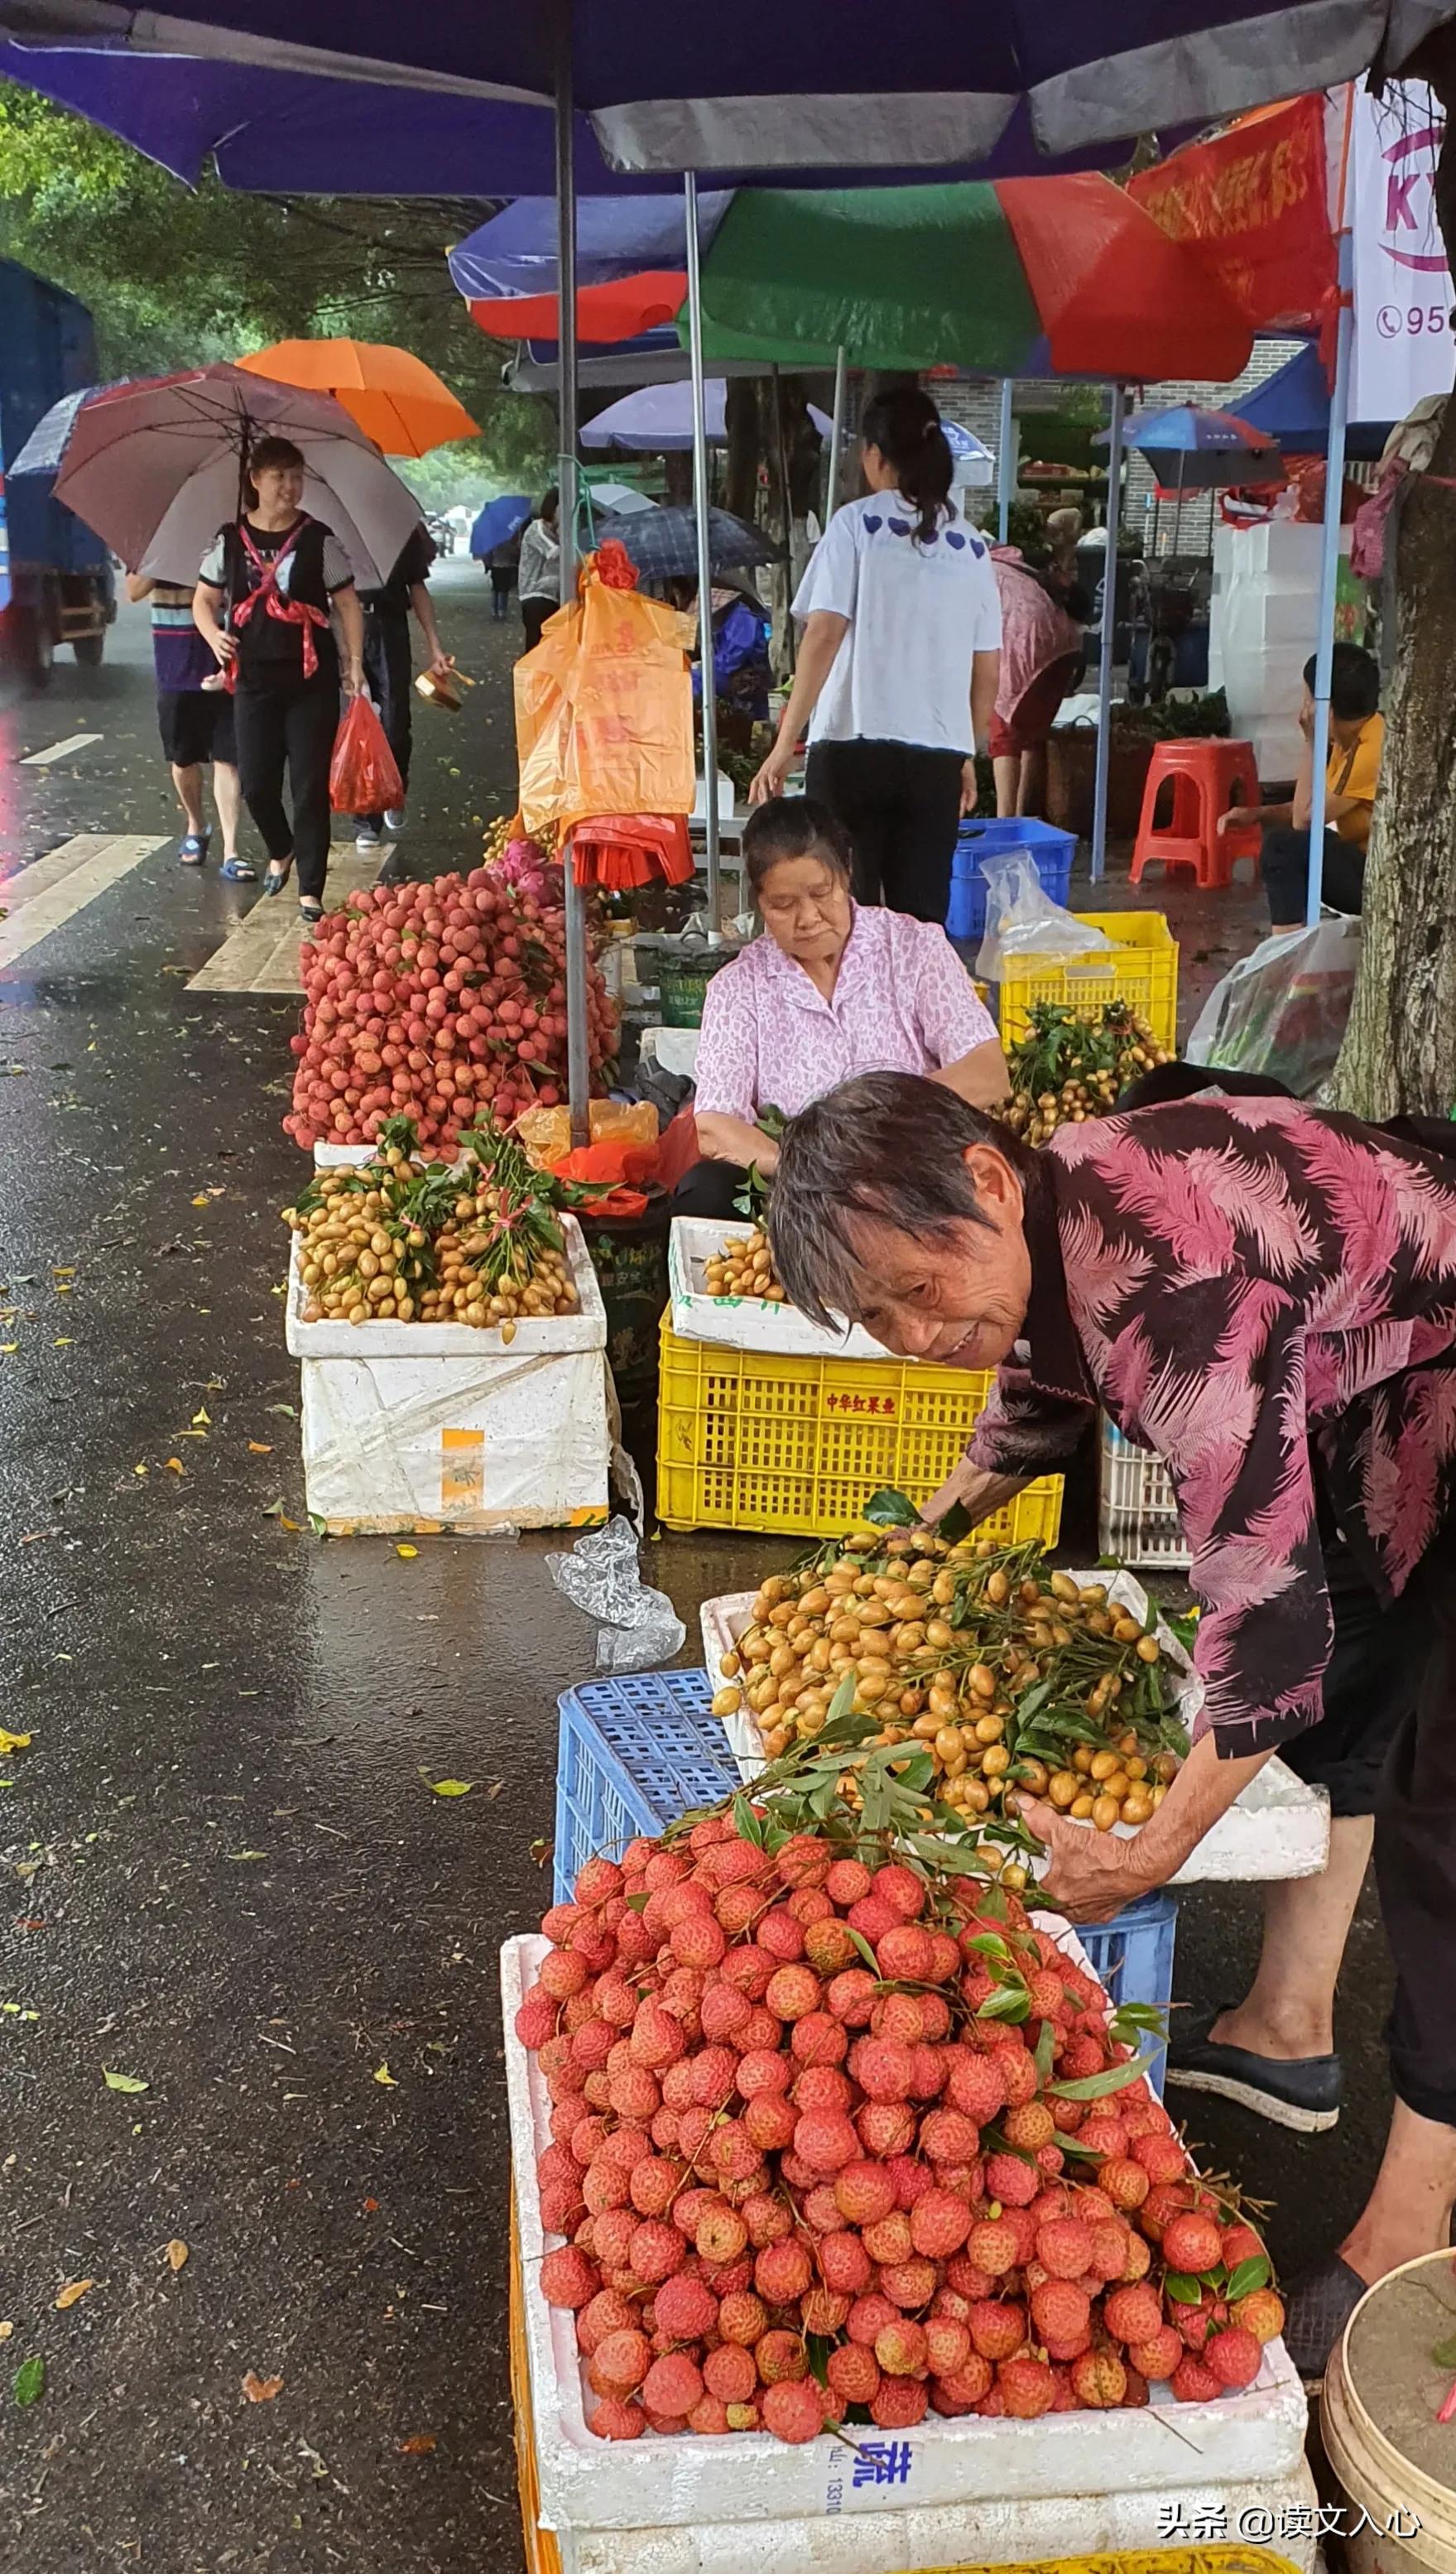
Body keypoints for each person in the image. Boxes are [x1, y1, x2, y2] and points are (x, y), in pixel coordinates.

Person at [767, 1066, 1456, 2379]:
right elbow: (1033, 1374)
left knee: (1440, 1818)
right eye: (877, 1320)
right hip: (1382, 1396)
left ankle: (1399, 2237)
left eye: (915, 1290)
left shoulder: (1166, 1286)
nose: (915, 1337)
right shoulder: (1040, 1213)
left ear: (979, 1180)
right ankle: (1287, 2032)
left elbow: (1262, 1631)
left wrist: (1144, 1854)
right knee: (1349, 1689)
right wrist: (925, 1541)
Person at [680, 797, 1007, 1219]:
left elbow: (988, 1072)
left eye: (821, 893)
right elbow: (715, 1125)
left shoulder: (914, 948)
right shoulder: (739, 987)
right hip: (801, 1192)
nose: (808, 917)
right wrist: (808, 1172)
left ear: (847, 873)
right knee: (704, 1191)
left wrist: (882, 1129)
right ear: (759, 902)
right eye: (783, 904)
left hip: (915, 1170)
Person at [748, 387, 1002, 923]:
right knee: (921, 921)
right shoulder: (971, 545)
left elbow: (822, 636)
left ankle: (852, 1010)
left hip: (851, 748)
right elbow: (986, 669)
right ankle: (914, 1010)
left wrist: (783, 743)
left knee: (840, 913)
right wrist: (967, 752)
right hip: (934, 757)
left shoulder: (854, 526)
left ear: (875, 456)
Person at [193, 437, 365, 926]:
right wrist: (213, 638)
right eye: (278, 477)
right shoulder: (229, 540)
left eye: (295, 476)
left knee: (309, 786)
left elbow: (347, 603)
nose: (290, 487)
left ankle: (311, 888)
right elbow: (203, 600)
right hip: (253, 680)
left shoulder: (319, 538)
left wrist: (353, 665)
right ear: (255, 481)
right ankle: (282, 847)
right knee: (257, 785)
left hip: (311, 679)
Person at [1223, 643, 1383, 932]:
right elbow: (1317, 805)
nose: (1304, 709)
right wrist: (1257, 814)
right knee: (1289, 845)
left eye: (1308, 699)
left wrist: (1311, 741)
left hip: (1382, 878)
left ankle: (1284, 956)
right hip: (1368, 864)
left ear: (1327, 707)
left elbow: (1304, 819)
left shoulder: (1370, 748)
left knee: (1283, 849)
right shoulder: (1351, 736)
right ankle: (1289, 949)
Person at [125, 570, 249, 878]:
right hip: (175, 662)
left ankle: (231, 851)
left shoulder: (226, 542)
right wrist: (167, 559)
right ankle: (196, 824)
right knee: (183, 757)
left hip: (224, 656)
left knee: (228, 756)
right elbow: (134, 591)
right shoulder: (159, 543)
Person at [352, 523, 454, 855]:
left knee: (395, 724)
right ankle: (366, 819)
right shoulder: (328, 529)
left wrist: (434, 646)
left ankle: (395, 790)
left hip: (389, 627)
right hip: (345, 626)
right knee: (357, 726)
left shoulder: (398, 530)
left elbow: (418, 588)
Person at [988, 542, 1089, 820]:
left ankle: (1005, 822)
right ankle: (1021, 818)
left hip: (1027, 641)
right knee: (1030, 735)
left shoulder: (974, 569)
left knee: (1004, 731)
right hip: (1066, 641)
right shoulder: (1014, 564)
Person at [517, 488, 561, 652]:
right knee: (536, 648)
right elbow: (554, 553)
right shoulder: (537, 529)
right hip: (535, 596)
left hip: (553, 598)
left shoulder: (555, 532)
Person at [486, 523, 521, 621]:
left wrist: (488, 566)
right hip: (506, 568)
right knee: (504, 590)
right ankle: (502, 611)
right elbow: (515, 554)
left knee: (495, 590)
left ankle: (494, 610)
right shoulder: (508, 543)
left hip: (495, 568)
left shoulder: (493, 543)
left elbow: (488, 556)